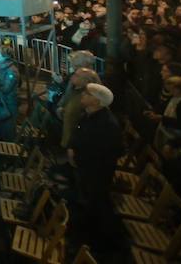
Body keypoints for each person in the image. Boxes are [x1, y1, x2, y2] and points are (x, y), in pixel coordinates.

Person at [67, 83, 123, 251]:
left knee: (93, 205)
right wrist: (71, 148)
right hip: (83, 168)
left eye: (87, 94)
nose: (83, 95)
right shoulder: (89, 114)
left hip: (96, 173)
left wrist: (80, 156)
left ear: (97, 101)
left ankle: (89, 244)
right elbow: (77, 133)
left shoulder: (108, 125)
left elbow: (105, 152)